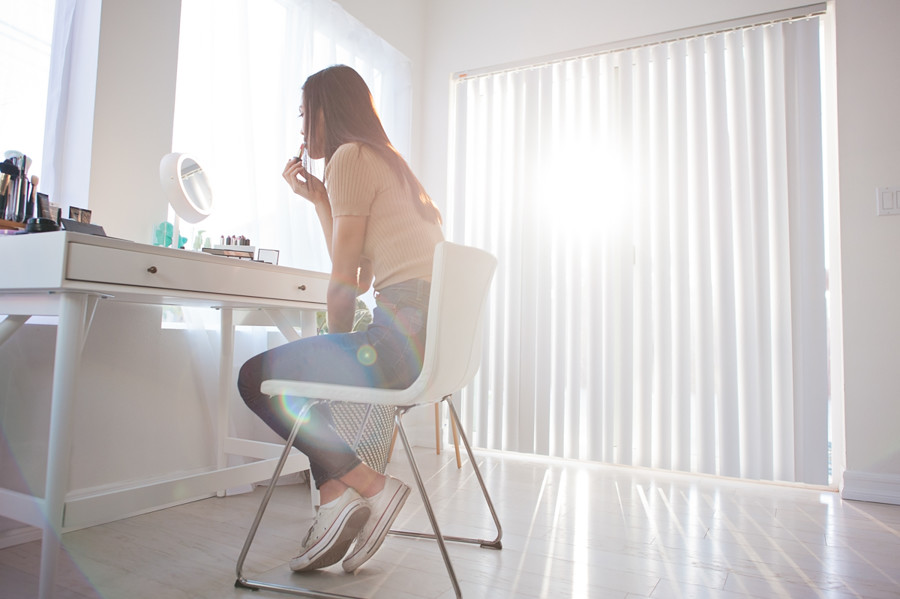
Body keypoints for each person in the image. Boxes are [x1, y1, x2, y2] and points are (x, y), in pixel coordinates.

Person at [237, 64, 444, 574]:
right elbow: (363, 266)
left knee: (254, 378)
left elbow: (344, 280)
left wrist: (333, 347)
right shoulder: (386, 163)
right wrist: (319, 199)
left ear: (327, 111)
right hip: (422, 340)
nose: (301, 126)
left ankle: (370, 488)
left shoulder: (349, 156)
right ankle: (334, 503)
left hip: (397, 340)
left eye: (304, 114)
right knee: (305, 380)